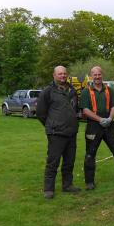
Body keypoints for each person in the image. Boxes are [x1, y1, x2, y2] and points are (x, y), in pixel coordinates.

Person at [80, 66, 114, 190]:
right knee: (90, 154)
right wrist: (99, 119)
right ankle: (89, 182)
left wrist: (109, 119)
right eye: (94, 75)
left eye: (99, 74)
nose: (97, 77)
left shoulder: (109, 90)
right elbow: (85, 110)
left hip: (109, 124)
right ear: (91, 76)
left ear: (102, 75)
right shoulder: (86, 92)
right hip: (93, 125)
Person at [36, 65, 81, 199]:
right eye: (60, 74)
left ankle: (67, 185)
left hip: (71, 132)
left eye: (64, 74)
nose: (62, 76)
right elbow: (40, 113)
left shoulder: (72, 90)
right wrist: (51, 124)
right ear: (54, 75)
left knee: (69, 161)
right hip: (56, 133)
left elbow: (75, 109)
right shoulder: (48, 91)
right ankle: (48, 189)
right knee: (53, 162)